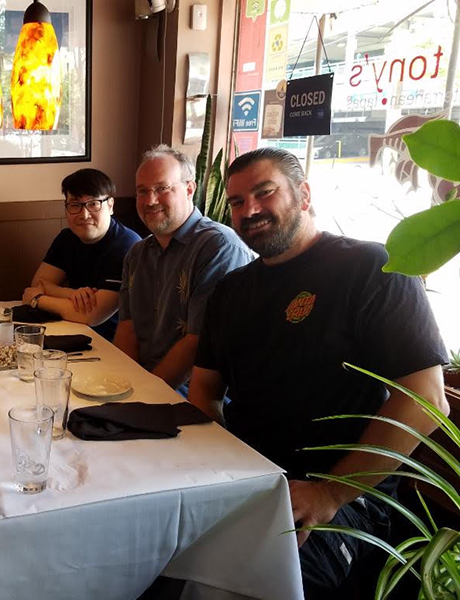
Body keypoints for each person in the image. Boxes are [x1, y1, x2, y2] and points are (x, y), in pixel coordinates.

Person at [187, 147, 449, 596]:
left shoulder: (373, 268)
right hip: (253, 480)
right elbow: (205, 392)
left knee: (250, 587)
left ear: (304, 194)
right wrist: (220, 471)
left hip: (348, 493)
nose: (249, 210)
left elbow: (426, 401)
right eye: (236, 202)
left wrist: (329, 493)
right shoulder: (230, 290)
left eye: (263, 193)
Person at [114, 145, 253, 392]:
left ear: (190, 189)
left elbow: (196, 343)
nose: (150, 200)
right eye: (142, 191)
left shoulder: (218, 246)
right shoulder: (137, 253)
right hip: (142, 385)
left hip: (192, 395)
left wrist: (146, 394)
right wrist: (121, 386)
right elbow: (128, 327)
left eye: (161, 188)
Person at [22, 168, 141, 340]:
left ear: (110, 206)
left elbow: (92, 316)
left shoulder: (128, 245)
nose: (84, 215)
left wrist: (37, 300)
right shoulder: (67, 238)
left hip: (113, 344)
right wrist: (70, 294)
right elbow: (38, 283)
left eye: (93, 204)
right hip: (69, 330)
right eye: (75, 205)